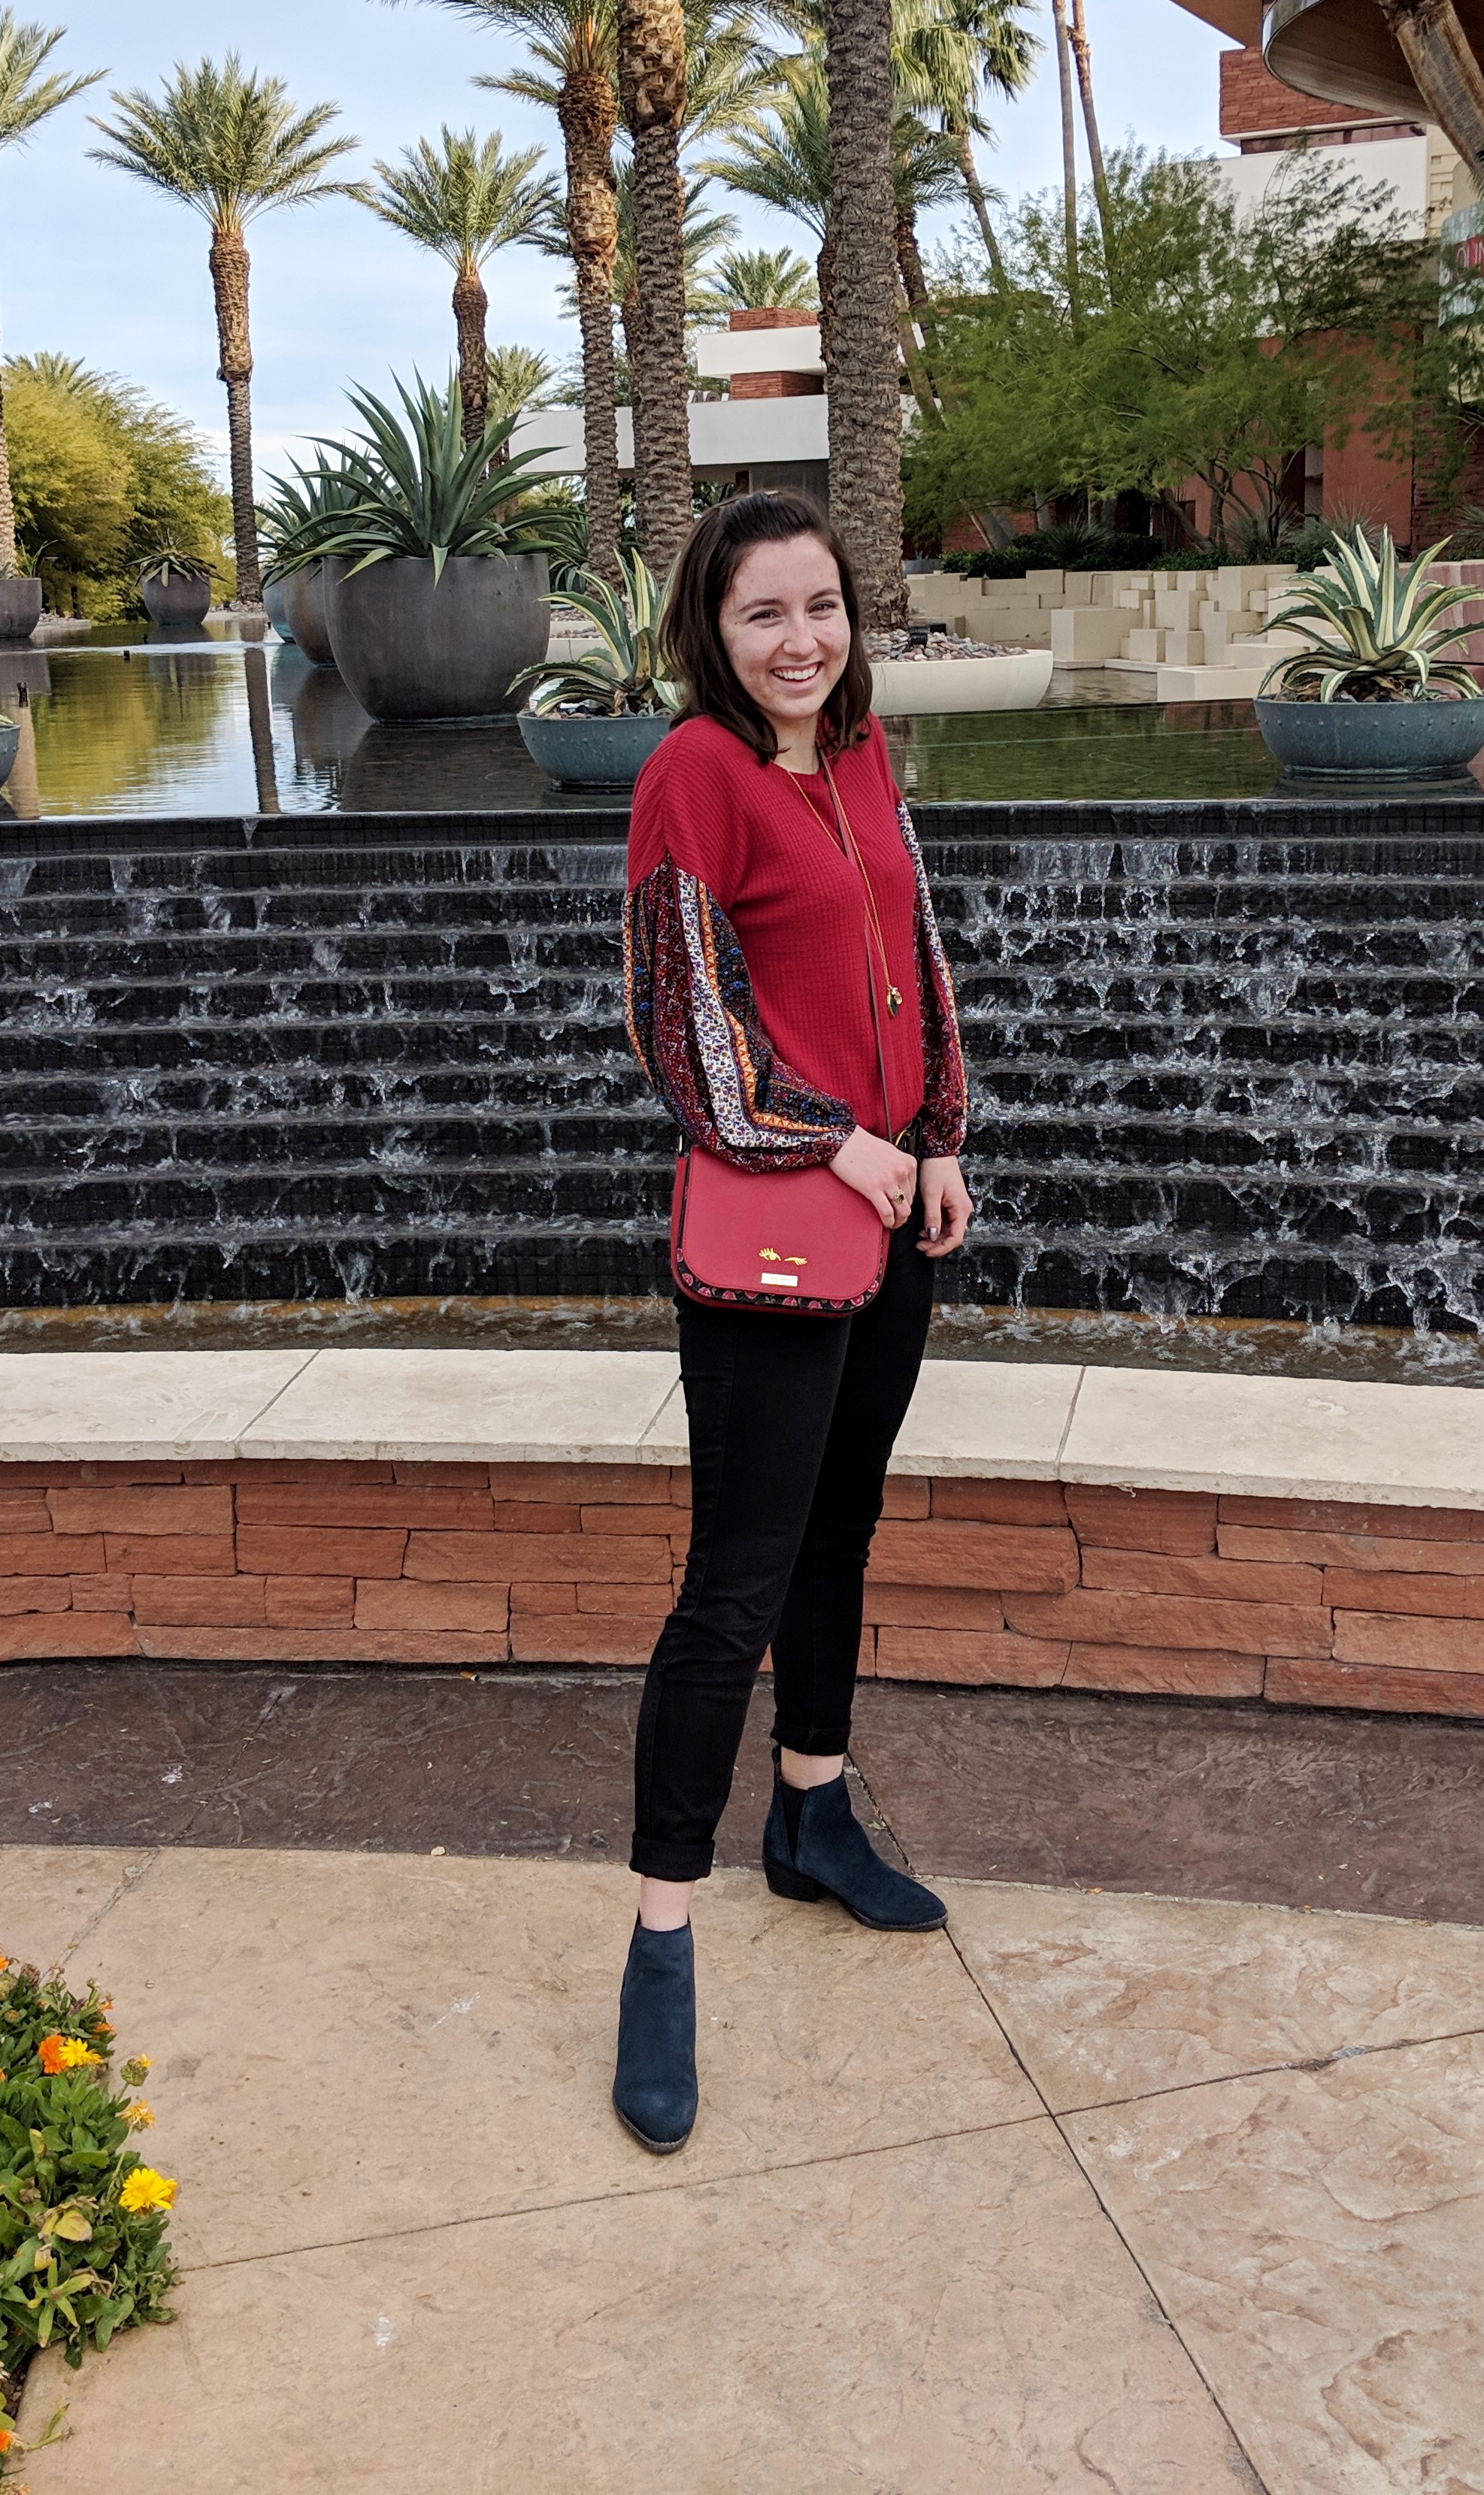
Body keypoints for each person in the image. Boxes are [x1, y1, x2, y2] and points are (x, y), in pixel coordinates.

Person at [614, 491, 973, 2154]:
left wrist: (944, 1140)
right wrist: (845, 1145)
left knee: (838, 1536)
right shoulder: (694, 773)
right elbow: (682, 1034)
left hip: (895, 1212)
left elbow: (916, 955)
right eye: (764, 613)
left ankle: (811, 1814)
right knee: (730, 1584)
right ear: (713, 624)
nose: (799, 639)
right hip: (787, 1221)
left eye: (819, 607)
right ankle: (658, 1936)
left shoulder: (861, 753)